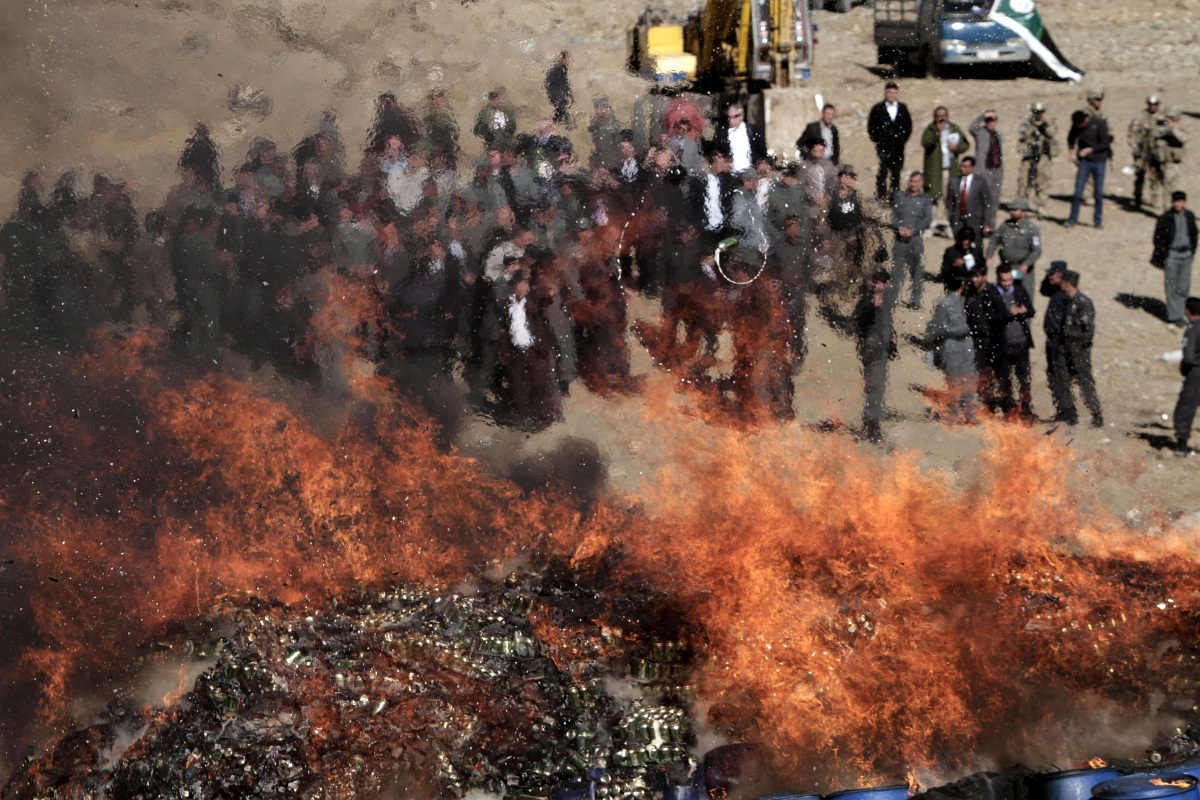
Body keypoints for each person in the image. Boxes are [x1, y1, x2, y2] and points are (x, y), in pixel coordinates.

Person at [1047, 270, 1103, 427]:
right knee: (1063, 381)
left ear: (1068, 283)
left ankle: (1096, 415)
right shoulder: (1067, 301)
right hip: (1064, 348)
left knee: (1084, 382)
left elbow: (1088, 330)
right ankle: (1069, 415)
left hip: (1078, 349)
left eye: (1063, 281)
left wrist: (1079, 346)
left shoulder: (1082, 302)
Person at [924, 270, 978, 423]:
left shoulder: (966, 301)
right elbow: (935, 329)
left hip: (966, 346)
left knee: (970, 379)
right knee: (954, 381)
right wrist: (957, 331)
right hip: (951, 346)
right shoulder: (945, 304)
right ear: (962, 284)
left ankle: (970, 414)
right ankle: (954, 415)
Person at [854, 269, 897, 443]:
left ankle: (872, 425)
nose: (881, 285)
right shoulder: (866, 300)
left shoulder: (886, 301)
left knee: (878, 390)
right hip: (872, 352)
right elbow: (858, 322)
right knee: (874, 389)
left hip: (882, 350)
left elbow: (887, 326)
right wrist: (872, 306)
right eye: (877, 281)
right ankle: (872, 428)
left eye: (884, 282)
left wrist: (892, 345)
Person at [991, 264, 1035, 419]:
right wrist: (1007, 314)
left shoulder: (1020, 290)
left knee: (1024, 378)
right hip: (1003, 344)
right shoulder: (992, 294)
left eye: (1010, 279)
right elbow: (990, 318)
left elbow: (1031, 310)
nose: (1008, 283)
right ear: (998, 279)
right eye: (1004, 281)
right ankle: (1009, 410)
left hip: (1021, 342)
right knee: (1005, 379)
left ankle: (1026, 407)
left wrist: (1024, 310)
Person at [1151, 191, 1198, 327]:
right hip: (1172, 254)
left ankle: (1183, 311)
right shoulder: (1165, 218)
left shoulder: (1189, 216)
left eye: (1180, 201)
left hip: (1186, 254)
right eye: (1175, 201)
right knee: (1171, 285)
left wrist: (1192, 251)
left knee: (1183, 285)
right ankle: (1174, 315)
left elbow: (1194, 234)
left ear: (1184, 202)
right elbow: (1157, 238)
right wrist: (1165, 253)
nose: (1178, 204)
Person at [890, 171, 933, 309]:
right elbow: (893, 215)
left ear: (921, 183)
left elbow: (927, 220)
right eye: (911, 181)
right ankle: (893, 299)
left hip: (915, 240)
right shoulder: (899, 196)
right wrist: (899, 228)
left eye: (916, 182)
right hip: (899, 239)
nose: (913, 184)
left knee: (916, 271)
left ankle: (915, 301)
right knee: (897, 270)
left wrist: (912, 231)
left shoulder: (925, 200)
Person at [1066, 101, 1112, 229]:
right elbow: (1070, 138)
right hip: (1084, 162)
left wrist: (1090, 149)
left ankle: (1098, 220)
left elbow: (1105, 144)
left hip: (1099, 161)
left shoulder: (1100, 124)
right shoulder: (1076, 126)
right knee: (1078, 192)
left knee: (1098, 193)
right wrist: (1071, 152)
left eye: (1082, 124)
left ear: (1086, 119)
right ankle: (1072, 219)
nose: (1080, 127)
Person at [867, 81, 912, 201]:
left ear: (897, 93)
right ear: (885, 93)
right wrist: (878, 139)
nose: (891, 95)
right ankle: (881, 196)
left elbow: (908, 126)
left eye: (893, 92)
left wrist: (902, 139)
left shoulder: (902, 108)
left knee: (896, 172)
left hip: (898, 146)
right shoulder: (878, 109)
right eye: (889, 92)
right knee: (883, 171)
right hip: (883, 146)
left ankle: (894, 197)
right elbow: (871, 126)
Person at [986, 199, 1042, 295]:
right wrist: (989, 256)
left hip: (1022, 268)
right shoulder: (1005, 225)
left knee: (1024, 295)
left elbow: (1036, 250)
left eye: (1015, 209)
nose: (1011, 211)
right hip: (1007, 267)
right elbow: (994, 240)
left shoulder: (1031, 228)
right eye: (1011, 209)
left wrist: (1026, 264)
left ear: (1023, 212)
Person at [921, 106, 969, 209]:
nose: (941, 118)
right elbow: (925, 143)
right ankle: (932, 221)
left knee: (950, 196)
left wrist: (956, 148)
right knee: (933, 196)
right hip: (935, 170)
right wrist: (937, 132)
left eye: (943, 116)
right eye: (939, 116)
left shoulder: (954, 128)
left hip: (950, 169)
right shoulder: (931, 129)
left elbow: (965, 144)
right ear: (935, 117)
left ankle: (948, 221)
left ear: (947, 116)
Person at [1017, 101, 1058, 216]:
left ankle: (1040, 206)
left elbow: (1052, 134)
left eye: (1040, 112)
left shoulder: (1048, 123)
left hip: (1043, 157)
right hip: (1029, 156)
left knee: (1042, 181)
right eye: (1036, 112)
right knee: (1024, 181)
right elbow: (1022, 139)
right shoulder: (1027, 124)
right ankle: (1022, 206)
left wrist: (1045, 123)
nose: (1038, 114)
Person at [1172, 297, 1200, 455]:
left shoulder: (1192, 329)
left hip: (1196, 373)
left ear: (1188, 311)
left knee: (1186, 407)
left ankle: (1181, 444)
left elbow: (1188, 357)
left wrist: (1185, 369)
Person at [969, 110, 1004, 232]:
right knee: (982, 200)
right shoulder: (980, 132)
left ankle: (990, 226)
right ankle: (980, 226)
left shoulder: (998, 135)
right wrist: (982, 116)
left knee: (994, 201)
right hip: (984, 171)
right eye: (988, 120)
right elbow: (972, 127)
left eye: (993, 120)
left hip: (996, 171)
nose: (990, 122)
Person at [946, 157, 992, 240]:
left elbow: (987, 203)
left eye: (966, 166)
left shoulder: (980, 182)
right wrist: (951, 217)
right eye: (961, 166)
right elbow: (950, 202)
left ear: (972, 168)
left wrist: (987, 223)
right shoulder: (954, 181)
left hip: (975, 220)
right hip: (958, 220)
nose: (962, 168)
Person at [713, 104, 767, 175]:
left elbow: (762, 151)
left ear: (742, 116)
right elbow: (718, 152)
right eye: (729, 117)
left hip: (752, 173)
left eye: (735, 116)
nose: (731, 120)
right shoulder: (722, 133)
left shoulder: (753, 131)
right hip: (731, 174)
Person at [1129, 94, 1162, 208]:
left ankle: (1155, 198)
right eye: (1151, 104)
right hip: (1142, 150)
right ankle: (1137, 196)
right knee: (1140, 174)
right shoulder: (1140, 117)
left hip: (1156, 151)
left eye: (1155, 104)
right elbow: (1132, 133)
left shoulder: (1161, 118)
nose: (1153, 107)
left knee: (1155, 176)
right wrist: (1134, 147)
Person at [1151, 108, 1187, 210]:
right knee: (1167, 189)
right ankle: (1168, 211)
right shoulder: (1164, 129)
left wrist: (1172, 128)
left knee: (1177, 189)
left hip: (1177, 163)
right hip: (1167, 163)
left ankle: (1177, 210)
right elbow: (1156, 140)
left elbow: (1182, 138)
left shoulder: (1179, 129)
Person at [473, 87, 518, 153]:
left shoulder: (506, 110)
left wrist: (508, 133)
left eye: (497, 99)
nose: (496, 102)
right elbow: (478, 128)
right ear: (490, 101)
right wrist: (488, 135)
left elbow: (512, 124)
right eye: (494, 100)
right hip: (492, 141)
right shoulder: (484, 112)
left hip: (506, 140)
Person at [545, 51, 574, 128]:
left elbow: (566, 85)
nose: (569, 60)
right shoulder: (555, 71)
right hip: (558, 99)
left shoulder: (563, 69)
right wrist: (554, 98)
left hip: (562, 100)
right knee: (562, 119)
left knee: (563, 118)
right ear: (562, 59)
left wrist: (570, 96)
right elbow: (549, 85)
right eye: (567, 58)